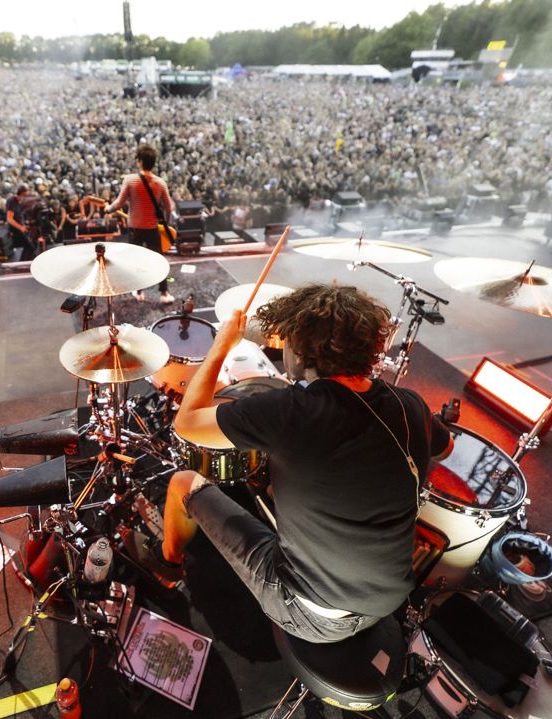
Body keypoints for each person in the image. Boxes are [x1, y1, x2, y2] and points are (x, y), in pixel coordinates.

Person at [160, 284, 453, 643]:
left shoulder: (293, 413)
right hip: (390, 597)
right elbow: (447, 447)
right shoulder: (411, 404)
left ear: (302, 354)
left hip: (312, 614)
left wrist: (221, 345)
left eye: (287, 341)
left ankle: (168, 566)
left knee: (183, 482)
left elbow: (186, 424)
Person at [104, 144, 176, 305]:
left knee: (134, 260)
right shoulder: (160, 183)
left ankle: (138, 291)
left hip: (135, 229)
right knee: (159, 260)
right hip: (152, 228)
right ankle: (164, 293)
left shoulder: (130, 180)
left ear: (140, 161)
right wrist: (166, 225)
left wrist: (108, 209)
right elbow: (169, 207)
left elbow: (119, 203)